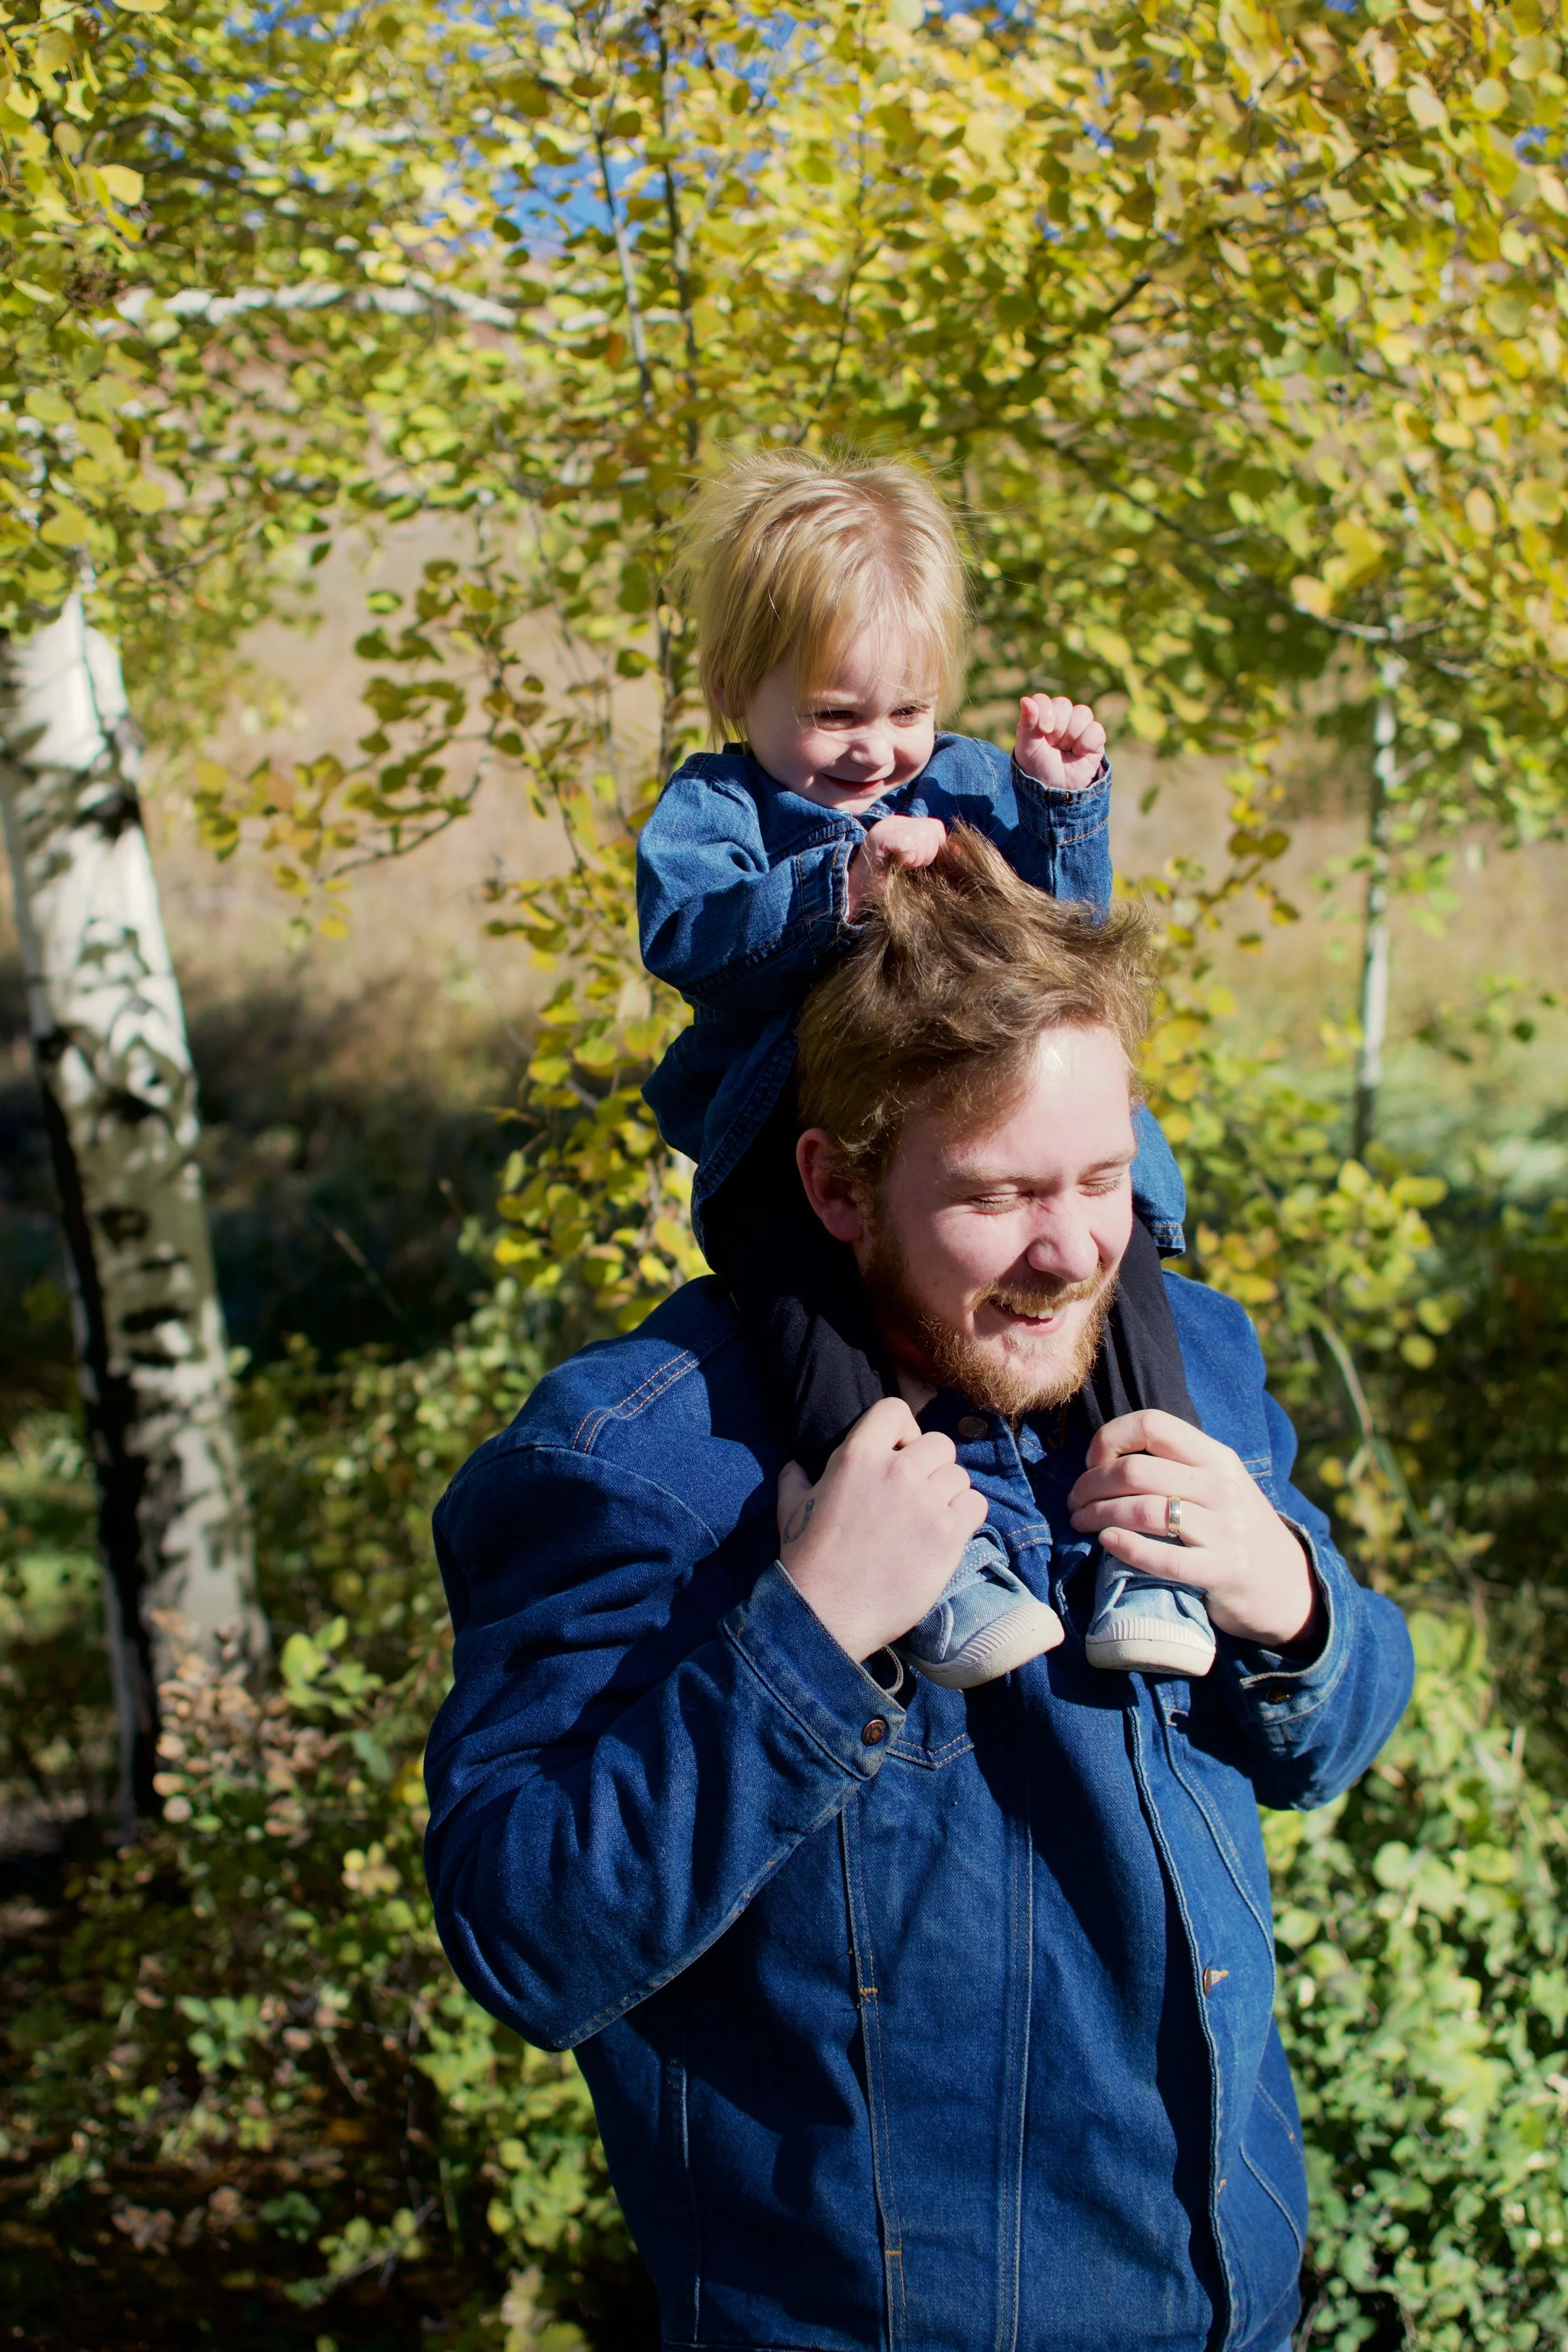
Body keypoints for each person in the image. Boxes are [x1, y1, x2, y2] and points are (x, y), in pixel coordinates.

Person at [424, 830, 1414, 2352]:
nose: (1071, 1250)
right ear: (832, 1184)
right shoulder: (640, 1465)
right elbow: (524, 1937)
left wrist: (1293, 1603)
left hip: (1234, 2311)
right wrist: (804, 1643)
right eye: (998, 1196)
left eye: (1100, 1176)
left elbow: (1332, 1738)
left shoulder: (1190, 1360)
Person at [635, 447, 1211, 1687]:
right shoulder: (715, 812)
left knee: (1117, 1258)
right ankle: (920, 1560)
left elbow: (1063, 953)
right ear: (741, 689)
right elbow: (684, 940)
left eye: (905, 713)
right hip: (786, 1131)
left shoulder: (960, 784)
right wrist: (836, 889)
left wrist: (1061, 809)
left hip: (993, 1127)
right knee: (802, 1299)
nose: (875, 751)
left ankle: (1149, 1540)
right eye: (836, 716)